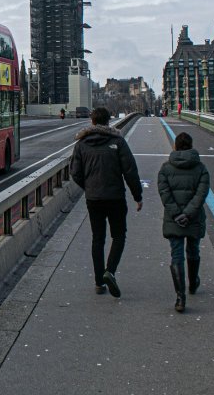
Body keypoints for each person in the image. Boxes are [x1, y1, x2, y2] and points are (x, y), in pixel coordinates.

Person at [70, 106, 143, 298]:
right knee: (118, 236)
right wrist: (138, 195)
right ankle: (110, 271)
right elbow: (130, 170)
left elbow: (75, 173)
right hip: (115, 197)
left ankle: (98, 282)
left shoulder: (81, 144)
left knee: (98, 239)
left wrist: (89, 186)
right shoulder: (118, 142)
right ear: (108, 121)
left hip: (93, 198)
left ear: (92, 122)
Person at [157, 131, 210, 313]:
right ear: (191, 145)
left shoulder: (165, 168)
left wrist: (177, 214)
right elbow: (201, 194)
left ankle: (180, 298)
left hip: (174, 220)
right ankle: (193, 283)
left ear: (176, 147)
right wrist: (188, 214)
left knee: (176, 254)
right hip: (194, 218)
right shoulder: (201, 168)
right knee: (193, 250)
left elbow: (165, 194)